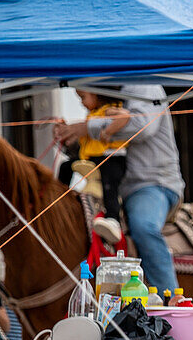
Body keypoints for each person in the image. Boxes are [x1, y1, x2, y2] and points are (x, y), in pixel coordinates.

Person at [55, 84, 184, 293]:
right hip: (113, 188)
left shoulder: (144, 83)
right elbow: (97, 147)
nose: (81, 101)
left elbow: (142, 127)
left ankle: (169, 300)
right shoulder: (110, 93)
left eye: (82, 95)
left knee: (143, 227)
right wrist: (70, 138)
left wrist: (86, 128)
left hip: (150, 185)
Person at [62, 89, 131, 245]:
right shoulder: (93, 115)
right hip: (93, 158)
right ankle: (61, 197)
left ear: (97, 94)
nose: (81, 102)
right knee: (65, 167)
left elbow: (125, 116)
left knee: (109, 185)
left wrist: (108, 131)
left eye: (83, 97)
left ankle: (113, 219)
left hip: (111, 158)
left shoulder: (108, 110)